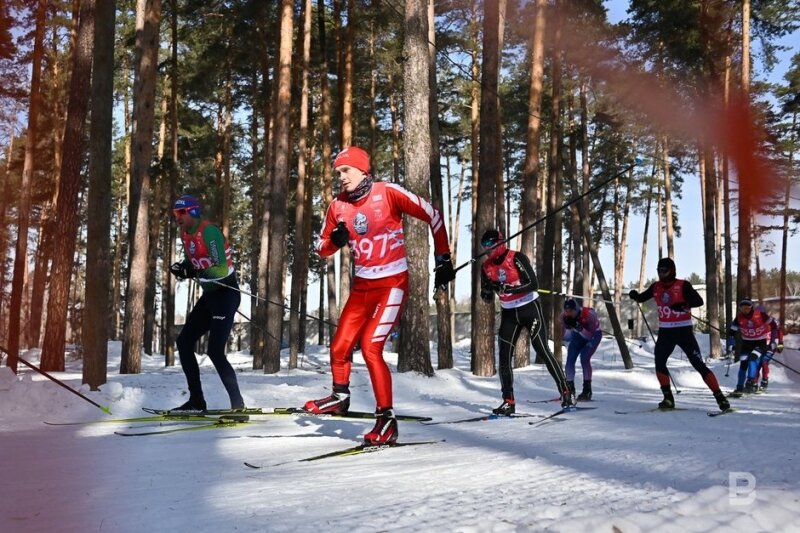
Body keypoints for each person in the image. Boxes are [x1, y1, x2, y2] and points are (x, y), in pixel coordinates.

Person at [304, 146, 454, 445]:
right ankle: (339, 396)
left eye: (346, 170)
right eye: (338, 172)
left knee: (371, 347)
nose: (341, 176)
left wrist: (443, 258)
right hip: (362, 286)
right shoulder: (338, 206)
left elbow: (433, 216)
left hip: (392, 283)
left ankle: (387, 420)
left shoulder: (388, 192)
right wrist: (334, 242)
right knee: (340, 346)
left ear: (363, 169)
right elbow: (321, 247)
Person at [479, 229, 574, 415]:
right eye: (484, 247)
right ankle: (508, 401)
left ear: (499, 243)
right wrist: (488, 290)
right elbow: (487, 298)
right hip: (509, 313)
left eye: (490, 246)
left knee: (542, 350)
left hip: (529, 308)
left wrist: (511, 289)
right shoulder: (486, 267)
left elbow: (533, 284)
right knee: (504, 357)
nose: (487, 250)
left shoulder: (516, 258)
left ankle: (566, 391)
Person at [169, 194, 245, 414]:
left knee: (215, 351)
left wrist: (194, 271)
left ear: (193, 211)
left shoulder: (209, 232)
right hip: (210, 296)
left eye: (181, 212)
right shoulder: (186, 235)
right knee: (184, 342)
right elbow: (192, 262)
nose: (178, 217)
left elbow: (221, 269)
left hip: (226, 293)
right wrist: (182, 268)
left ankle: (238, 406)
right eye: (175, 213)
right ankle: (196, 401)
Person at [628, 257, 730, 411]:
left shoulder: (683, 285)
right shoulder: (656, 287)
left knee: (698, 364)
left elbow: (699, 301)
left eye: (664, 271)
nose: (661, 274)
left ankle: (720, 397)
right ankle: (668, 398)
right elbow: (642, 298)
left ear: (672, 271)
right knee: (659, 362)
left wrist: (684, 303)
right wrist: (635, 295)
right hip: (665, 332)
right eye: (659, 271)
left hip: (683, 331)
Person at [726, 298, 783, 396]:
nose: (745, 310)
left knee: (753, 358)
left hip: (760, 343)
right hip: (746, 343)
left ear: (751, 307)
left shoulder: (760, 314)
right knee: (743, 363)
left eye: (747, 307)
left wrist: (775, 341)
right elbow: (732, 332)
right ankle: (739, 387)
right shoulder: (739, 318)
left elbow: (774, 326)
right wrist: (731, 344)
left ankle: (751, 382)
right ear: (740, 308)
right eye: (743, 308)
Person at [560, 298, 602, 401]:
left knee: (584, 358)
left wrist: (578, 327)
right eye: (566, 311)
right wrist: (568, 327)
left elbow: (589, 336)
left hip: (594, 335)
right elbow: (567, 338)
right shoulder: (564, 316)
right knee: (570, 358)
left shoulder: (589, 315)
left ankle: (587, 390)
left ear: (576, 309)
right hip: (578, 336)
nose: (568, 313)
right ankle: (570, 389)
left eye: (571, 311)